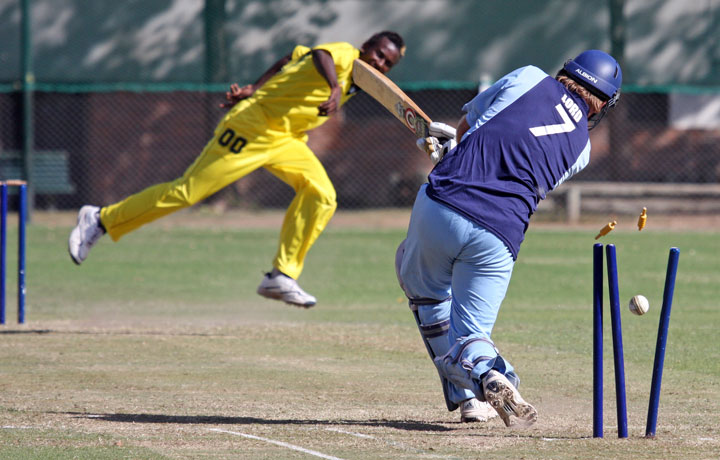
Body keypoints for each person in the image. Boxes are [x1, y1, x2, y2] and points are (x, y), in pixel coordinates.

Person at [68, 31, 405, 308]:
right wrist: (333, 87)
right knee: (186, 192)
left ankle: (281, 276)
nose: (380, 63)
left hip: (284, 139)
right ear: (366, 46)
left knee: (322, 195)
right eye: (378, 54)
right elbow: (320, 55)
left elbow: (291, 58)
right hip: (250, 128)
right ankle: (100, 219)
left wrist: (254, 87)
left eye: (387, 63)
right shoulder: (344, 55)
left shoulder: (354, 82)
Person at [395, 50, 622, 427]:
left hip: (445, 205)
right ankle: (491, 373)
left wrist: (450, 149)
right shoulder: (583, 148)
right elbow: (524, 168)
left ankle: (470, 395)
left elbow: (469, 127)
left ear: (566, 71)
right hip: (501, 234)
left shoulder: (530, 77)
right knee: (473, 332)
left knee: (426, 291)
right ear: (602, 104)